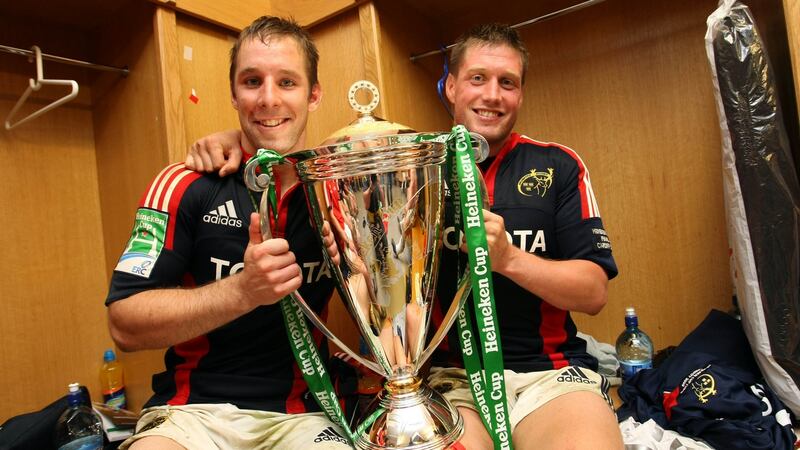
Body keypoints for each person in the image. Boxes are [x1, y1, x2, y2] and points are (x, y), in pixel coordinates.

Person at [185, 22, 622, 450]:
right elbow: (374, 271)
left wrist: (509, 258)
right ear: (450, 87)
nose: (492, 94)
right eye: (477, 78)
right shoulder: (410, 167)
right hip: (453, 382)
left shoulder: (558, 165)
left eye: (507, 82)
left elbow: (594, 293)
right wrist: (237, 140)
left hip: (550, 376)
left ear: (521, 93)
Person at [105, 16, 351, 450]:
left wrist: (355, 265)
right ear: (234, 94)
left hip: (302, 417)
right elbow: (125, 323)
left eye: (288, 82)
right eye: (253, 81)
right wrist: (244, 290)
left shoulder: (338, 191)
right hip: (191, 414)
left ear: (314, 95)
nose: (268, 99)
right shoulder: (184, 183)